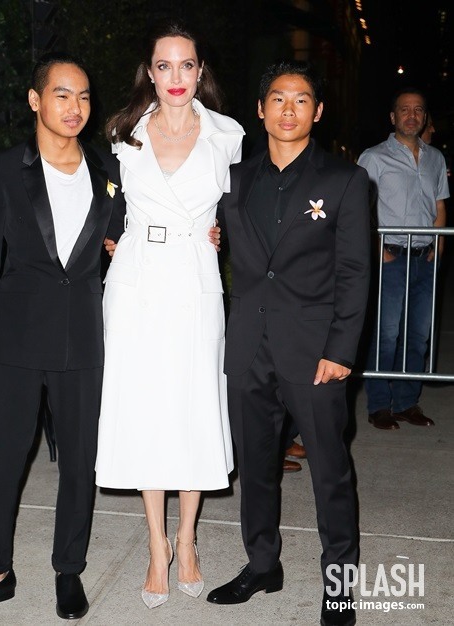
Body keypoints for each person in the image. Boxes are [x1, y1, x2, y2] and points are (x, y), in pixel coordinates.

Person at [0, 53, 125, 620]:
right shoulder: (4, 168)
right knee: (2, 461)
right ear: (36, 100)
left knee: (79, 465)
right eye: (62, 94)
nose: (74, 106)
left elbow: (126, 238)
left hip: (82, 340)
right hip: (14, 340)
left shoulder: (109, 172)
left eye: (84, 96)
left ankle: (69, 570)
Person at [207, 59, 370, 626]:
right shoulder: (232, 178)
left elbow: (355, 272)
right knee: (255, 468)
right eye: (278, 98)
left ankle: (340, 586)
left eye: (301, 100)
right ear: (260, 109)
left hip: (315, 351)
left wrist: (342, 351)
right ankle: (262, 565)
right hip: (249, 345)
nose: (288, 109)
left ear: (317, 112)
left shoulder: (345, 180)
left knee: (330, 472)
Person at [95, 19, 244, 609]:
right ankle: (157, 545)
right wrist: (107, 238)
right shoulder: (124, 134)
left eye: (186, 65)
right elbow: (102, 203)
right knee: (147, 411)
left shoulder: (228, 136)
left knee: (193, 406)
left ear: (200, 71)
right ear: (150, 73)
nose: (176, 76)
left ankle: (187, 539)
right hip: (136, 281)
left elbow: (243, 208)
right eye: (164, 65)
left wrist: (223, 235)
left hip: (194, 275)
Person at [358, 88, 449, 430]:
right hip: (391, 258)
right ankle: (380, 405)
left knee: (419, 335)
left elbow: (439, 205)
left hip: (425, 259)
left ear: (425, 117)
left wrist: (438, 248)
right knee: (387, 333)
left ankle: (407, 402)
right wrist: (378, 249)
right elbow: (358, 207)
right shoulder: (374, 157)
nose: (412, 115)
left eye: (418, 110)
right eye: (405, 110)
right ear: (393, 116)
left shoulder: (436, 158)